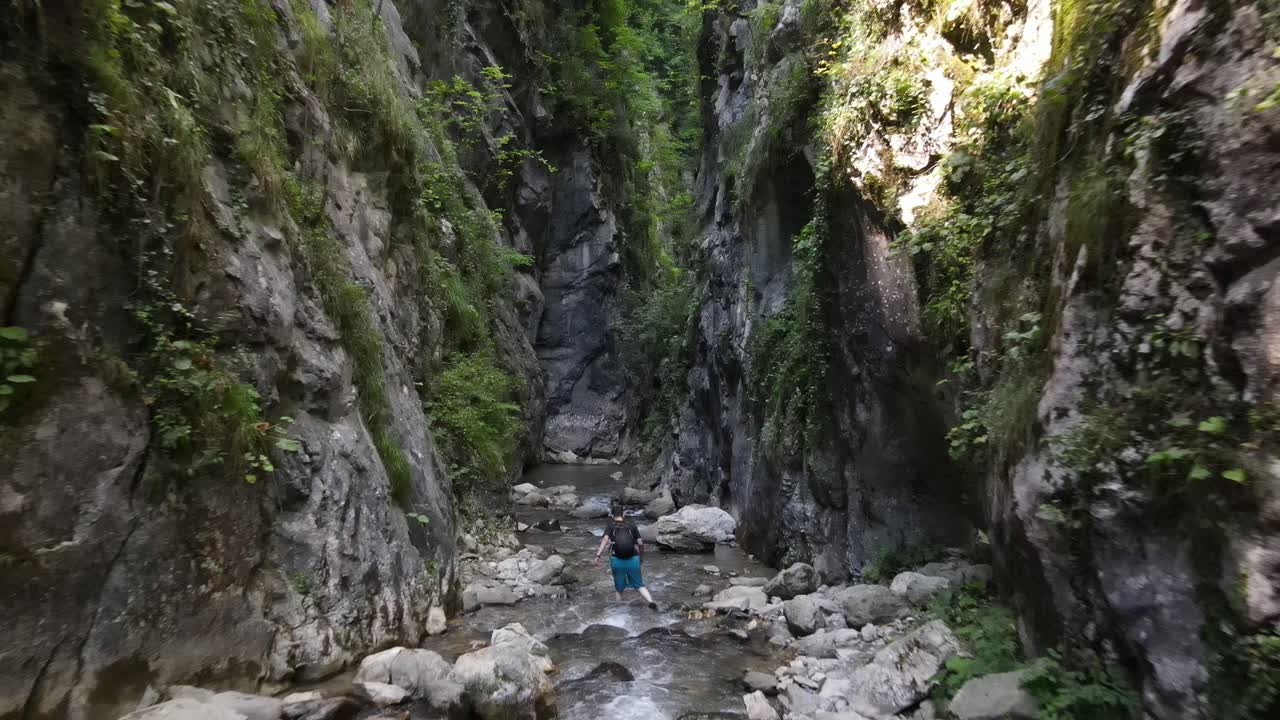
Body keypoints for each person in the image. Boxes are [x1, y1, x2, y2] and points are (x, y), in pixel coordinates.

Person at [593, 500, 658, 609]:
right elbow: (640, 543)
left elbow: (605, 540)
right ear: (623, 515)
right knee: (639, 585)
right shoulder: (631, 524)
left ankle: (619, 611)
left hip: (617, 561)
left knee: (619, 589)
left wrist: (598, 555)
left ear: (612, 516)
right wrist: (641, 558)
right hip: (633, 558)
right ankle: (650, 601)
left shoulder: (610, 525)